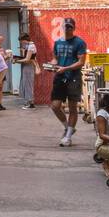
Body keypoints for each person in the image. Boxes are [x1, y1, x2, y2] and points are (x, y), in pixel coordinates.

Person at [47, 18, 88, 147]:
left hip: (73, 78)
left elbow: (81, 62)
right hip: (60, 77)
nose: (67, 29)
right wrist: (52, 65)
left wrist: (66, 68)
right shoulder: (57, 42)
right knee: (55, 106)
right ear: (62, 27)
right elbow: (55, 58)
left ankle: (68, 136)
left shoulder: (80, 43)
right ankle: (67, 127)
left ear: (74, 28)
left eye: (70, 27)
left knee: (72, 107)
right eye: (66, 26)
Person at [18, 32, 38, 110]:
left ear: (24, 40)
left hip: (28, 66)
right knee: (26, 83)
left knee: (28, 84)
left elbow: (27, 59)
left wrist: (17, 61)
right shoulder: (29, 46)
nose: (21, 43)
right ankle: (29, 102)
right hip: (27, 66)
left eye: (21, 41)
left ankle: (30, 103)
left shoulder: (31, 46)